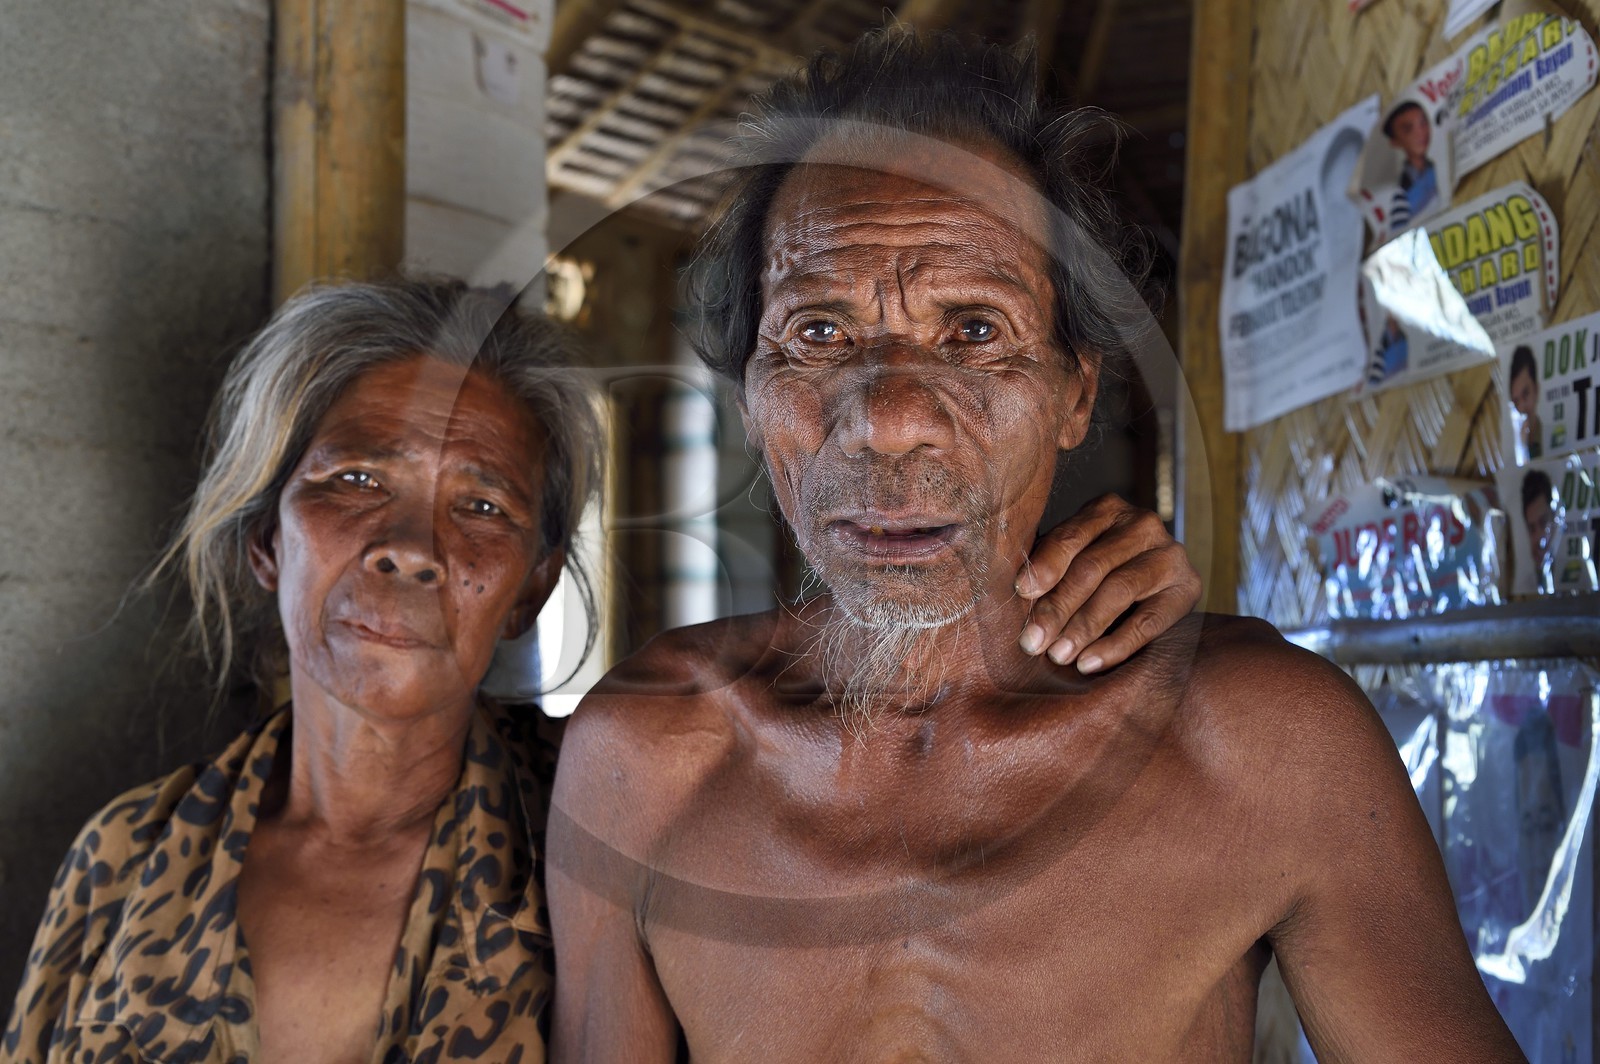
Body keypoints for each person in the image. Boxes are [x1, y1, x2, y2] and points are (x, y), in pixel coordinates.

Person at [548, 30, 1525, 1062]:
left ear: (1073, 393)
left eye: (973, 330)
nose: (887, 418)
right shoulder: (645, 761)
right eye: (820, 333)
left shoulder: (1262, 745)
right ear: (751, 392)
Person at [3, 277, 1201, 1063]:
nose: (412, 547)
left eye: (480, 502)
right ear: (270, 539)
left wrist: (1061, 598)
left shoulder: (629, 815)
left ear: (527, 580)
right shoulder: (127, 858)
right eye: (354, 479)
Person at [1383, 100, 1439, 232]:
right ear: (1395, 142)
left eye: (1423, 123)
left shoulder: (1436, 167)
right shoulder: (1399, 194)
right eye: (1408, 129)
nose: (1420, 133)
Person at [1521, 467, 1557, 591]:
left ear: (1555, 518)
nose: (1539, 537)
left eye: (1543, 523)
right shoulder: (1526, 587)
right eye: (1531, 529)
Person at [1508, 344, 1543, 460]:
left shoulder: (1549, 434)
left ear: (1536, 389)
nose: (1521, 407)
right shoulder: (1515, 447)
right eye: (1516, 401)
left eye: (1526, 393)